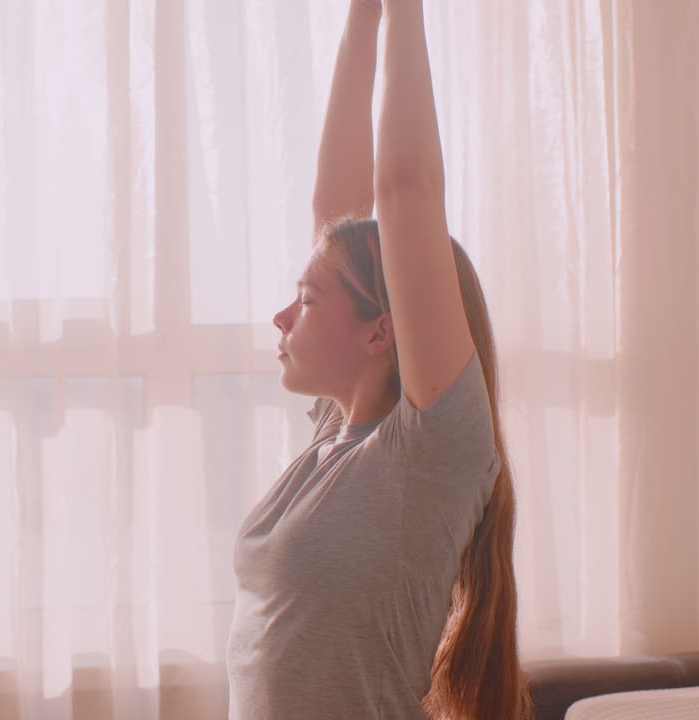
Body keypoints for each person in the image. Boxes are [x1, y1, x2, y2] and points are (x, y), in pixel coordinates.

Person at [225, 0, 532, 718]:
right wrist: (363, 16)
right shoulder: (336, 437)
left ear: (380, 332)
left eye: (306, 299)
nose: (282, 317)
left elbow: (406, 188)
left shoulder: (427, 452)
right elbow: (338, 211)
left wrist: (404, 10)